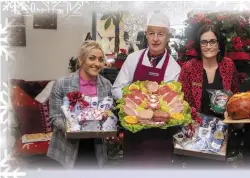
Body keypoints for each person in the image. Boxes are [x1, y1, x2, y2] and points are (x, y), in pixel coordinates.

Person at [111, 12, 181, 167]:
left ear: (167, 37)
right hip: (133, 133)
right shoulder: (132, 59)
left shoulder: (173, 67)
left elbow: (171, 102)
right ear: (147, 35)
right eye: (151, 33)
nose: (156, 39)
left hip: (160, 137)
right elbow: (116, 89)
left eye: (161, 34)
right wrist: (133, 101)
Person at [177, 24, 240, 167]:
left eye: (212, 41)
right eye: (204, 42)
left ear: (219, 44)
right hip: (195, 136)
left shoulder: (228, 66)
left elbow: (235, 96)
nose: (208, 46)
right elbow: (182, 101)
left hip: (221, 136)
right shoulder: (189, 68)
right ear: (199, 45)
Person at [47, 40, 114, 169]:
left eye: (101, 59)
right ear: (81, 60)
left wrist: (108, 118)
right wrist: (71, 128)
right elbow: (54, 117)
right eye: (92, 58)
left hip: (96, 147)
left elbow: (109, 112)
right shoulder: (62, 83)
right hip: (67, 147)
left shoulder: (106, 85)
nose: (97, 63)